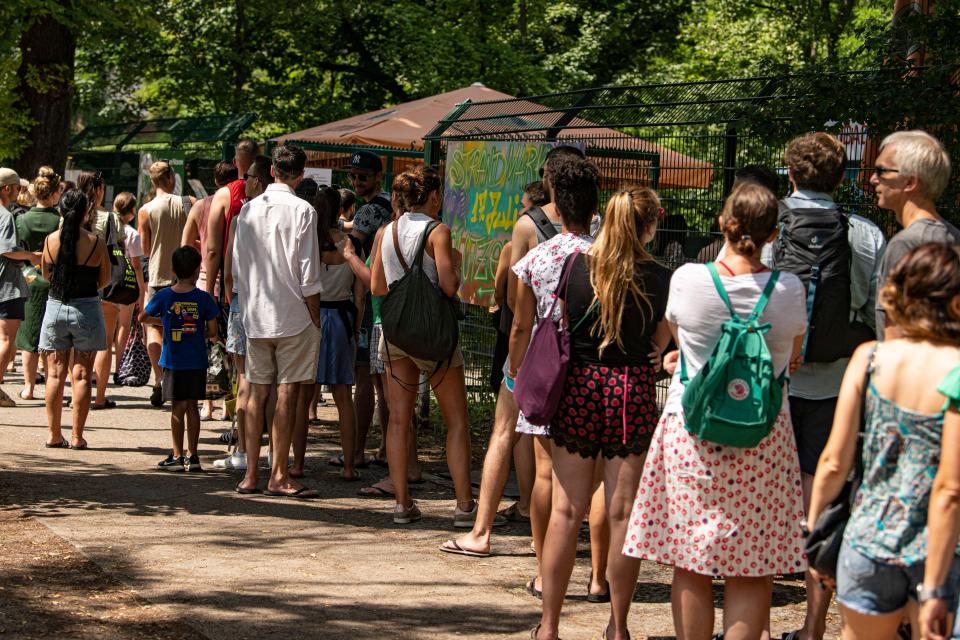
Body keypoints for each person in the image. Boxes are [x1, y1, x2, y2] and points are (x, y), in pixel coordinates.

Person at [623, 182, 808, 640]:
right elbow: (794, 358)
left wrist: (684, 356)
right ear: (773, 232)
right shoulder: (789, 290)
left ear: (723, 224)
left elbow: (680, 334)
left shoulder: (688, 278)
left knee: (692, 562)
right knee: (752, 567)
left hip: (693, 434)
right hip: (764, 437)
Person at [532, 186, 671, 640]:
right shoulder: (660, 277)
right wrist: (659, 351)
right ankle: (618, 627)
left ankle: (549, 627)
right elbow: (661, 341)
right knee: (622, 514)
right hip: (631, 393)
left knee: (565, 511)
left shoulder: (575, 266)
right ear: (650, 224)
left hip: (580, 389)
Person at [806, 243, 960, 640]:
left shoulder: (870, 357)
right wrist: (938, 586)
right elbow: (949, 490)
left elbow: (833, 462)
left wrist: (814, 535)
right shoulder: (956, 371)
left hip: (867, 541)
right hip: (938, 552)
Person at [774, 132, 886, 640]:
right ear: (842, 178)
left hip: (769, 383)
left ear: (789, 173)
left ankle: (745, 618)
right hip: (839, 384)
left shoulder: (765, 225)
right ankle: (814, 624)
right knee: (826, 500)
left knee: (762, 493)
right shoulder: (864, 234)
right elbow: (878, 315)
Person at [370, 165, 473, 525]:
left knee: (398, 420)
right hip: (434, 335)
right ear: (432, 196)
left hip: (397, 335)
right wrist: (456, 267)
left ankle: (402, 503)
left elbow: (378, 288)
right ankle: (463, 506)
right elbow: (448, 286)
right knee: (456, 421)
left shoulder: (385, 232)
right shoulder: (437, 232)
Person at [233, 144, 322, 498]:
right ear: (301, 175)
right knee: (287, 392)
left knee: (256, 390)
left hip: (255, 312)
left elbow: (239, 267)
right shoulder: (304, 210)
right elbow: (308, 272)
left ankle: (251, 473)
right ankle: (279, 473)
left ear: (271, 170)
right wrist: (315, 315)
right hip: (294, 313)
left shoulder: (248, 210)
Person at [292, 185, 363, 480]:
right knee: (343, 396)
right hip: (343, 316)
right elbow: (359, 293)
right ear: (340, 210)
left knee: (302, 395)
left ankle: (296, 464)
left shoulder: (306, 243)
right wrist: (356, 327)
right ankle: (348, 466)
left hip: (312, 317)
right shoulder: (352, 244)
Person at [212, 154, 273, 472]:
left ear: (258, 180)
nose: (243, 180)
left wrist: (225, 293)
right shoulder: (282, 215)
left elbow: (228, 265)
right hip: (272, 305)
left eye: (247, 175)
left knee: (245, 378)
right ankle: (274, 452)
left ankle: (242, 451)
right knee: (273, 381)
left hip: (242, 302)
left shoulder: (242, 216)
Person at [870, 130, 959, 339]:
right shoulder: (954, 237)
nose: (874, 179)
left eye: (882, 171)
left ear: (910, 183)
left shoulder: (906, 244)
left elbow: (894, 333)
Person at [39, 188, 110, 449]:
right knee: (81, 375)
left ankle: (53, 434)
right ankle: (78, 436)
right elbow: (105, 279)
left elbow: (47, 276)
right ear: (85, 212)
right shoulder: (95, 242)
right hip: (87, 309)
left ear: (60, 210)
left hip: (56, 307)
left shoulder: (50, 241)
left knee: (54, 375)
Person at [142, 246, 220, 472]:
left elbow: (144, 316)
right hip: (197, 360)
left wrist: (166, 323)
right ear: (198, 271)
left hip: (173, 360)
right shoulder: (204, 298)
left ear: (173, 269)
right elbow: (212, 331)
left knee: (177, 408)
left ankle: (176, 455)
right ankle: (193, 456)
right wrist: (196, 331)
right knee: (193, 407)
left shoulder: (165, 295)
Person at [348, 151, 394, 483]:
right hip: (393, 302)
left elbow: (349, 248)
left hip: (370, 299)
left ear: (378, 177)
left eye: (362, 176)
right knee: (386, 382)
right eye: (352, 176)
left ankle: (358, 450)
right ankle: (386, 448)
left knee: (364, 379)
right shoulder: (393, 206)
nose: (356, 181)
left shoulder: (368, 210)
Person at [182, 160, 237, 421]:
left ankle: (207, 405)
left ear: (214, 181)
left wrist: (200, 244)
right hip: (228, 283)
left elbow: (185, 244)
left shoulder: (201, 206)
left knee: (205, 346)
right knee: (228, 345)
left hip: (203, 280)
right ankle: (228, 403)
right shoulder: (237, 204)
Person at [138, 161, 191, 406]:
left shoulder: (146, 209)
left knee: (154, 328)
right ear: (170, 177)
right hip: (184, 276)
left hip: (158, 276)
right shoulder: (187, 203)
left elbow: (145, 248)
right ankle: (177, 380)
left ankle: (158, 379)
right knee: (182, 330)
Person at [77, 170, 125, 411]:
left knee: (77, 343)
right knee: (104, 343)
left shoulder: (70, 216)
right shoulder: (110, 218)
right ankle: (99, 397)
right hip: (104, 285)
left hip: (77, 285)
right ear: (98, 190)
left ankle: (76, 392)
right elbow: (120, 246)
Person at [15, 167, 63, 400]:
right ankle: (51, 386)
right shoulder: (61, 221)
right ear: (55, 194)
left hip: (29, 278)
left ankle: (29, 386)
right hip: (54, 280)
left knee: (29, 335)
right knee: (52, 337)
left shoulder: (21, 219)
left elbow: (15, 250)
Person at [204, 139, 258, 301]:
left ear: (235, 162)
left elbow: (213, 250)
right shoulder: (267, 192)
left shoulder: (224, 194)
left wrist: (209, 291)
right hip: (262, 277)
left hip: (232, 281)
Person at [0, 168, 36, 406]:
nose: (19, 191)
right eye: (16, 187)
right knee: (6, 340)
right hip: (7, 285)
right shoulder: (5, 216)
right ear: (6, 189)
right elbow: (7, 249)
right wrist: (33, 256)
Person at [110, 192, 147, 382]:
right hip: (127, 284)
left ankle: (100, 367)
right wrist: (141, 291)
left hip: (107, 283)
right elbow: (137, 266)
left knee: (107, 328)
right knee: (123, 325)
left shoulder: (106, 229)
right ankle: (119, 368)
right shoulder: (131, 234)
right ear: (132, 211)